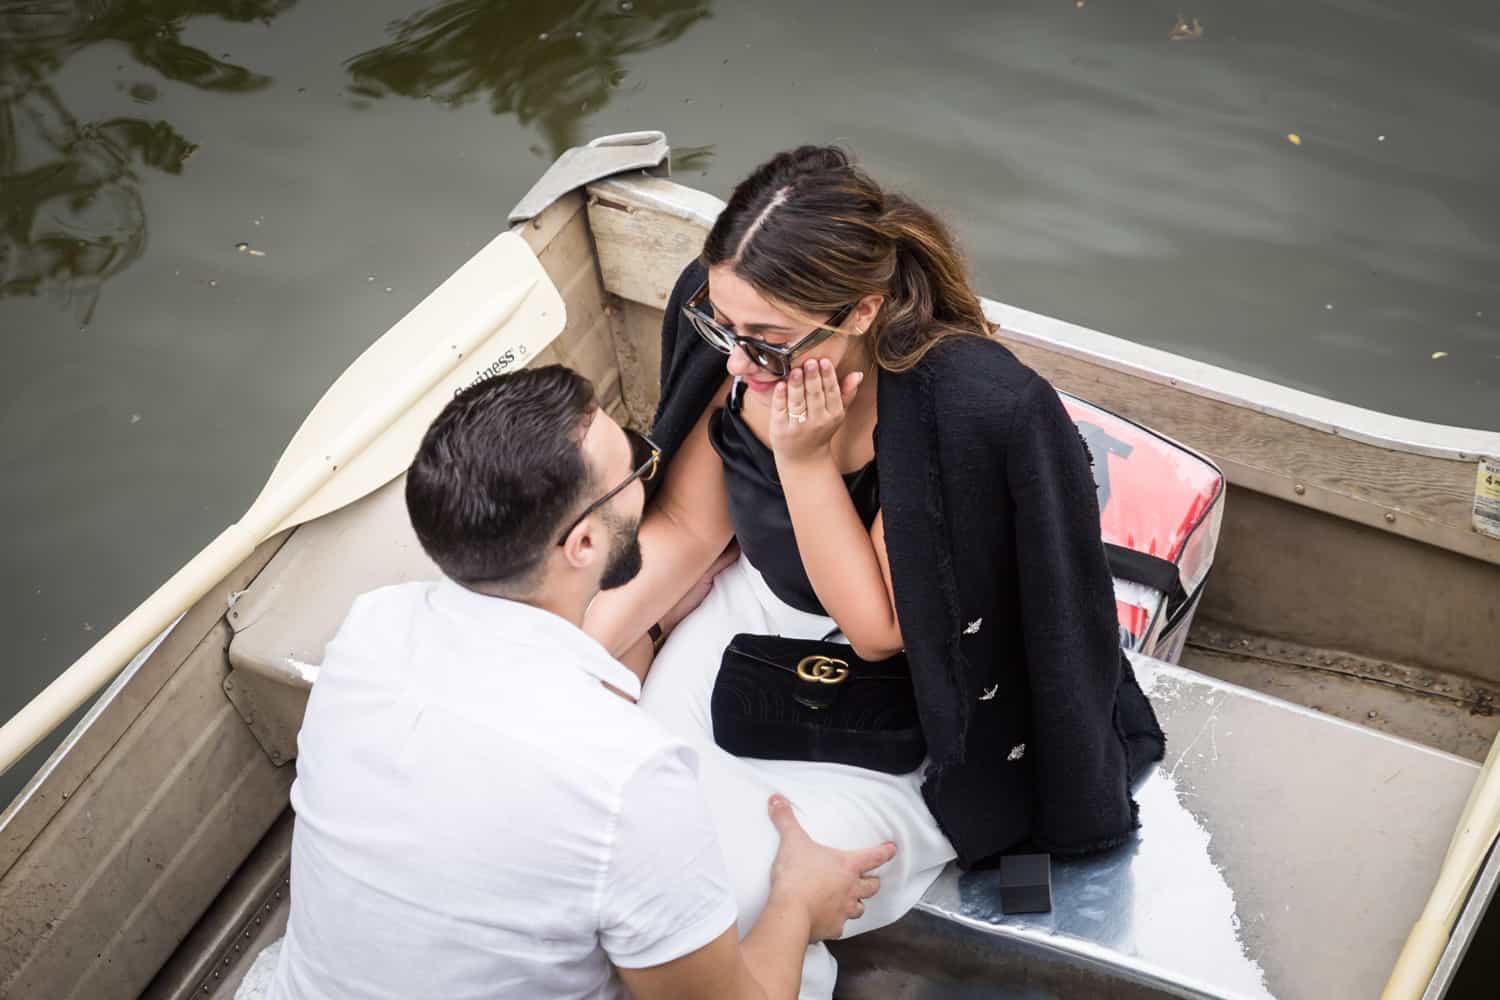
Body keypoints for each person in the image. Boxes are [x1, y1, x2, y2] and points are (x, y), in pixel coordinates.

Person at [583, 146, 1165, 993]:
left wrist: (807, 461)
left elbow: (882, 629)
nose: (739, 364)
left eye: (770, 344)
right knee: (630, 834)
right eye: (723, 328)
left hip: (910, 699)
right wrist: (569, 660)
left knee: (734, 890)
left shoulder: (951, 408)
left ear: (859, 312)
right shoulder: (739, 335)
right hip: (753, 624)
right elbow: (684, 528)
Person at [267, 365, 897, 1000]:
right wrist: (798, 901)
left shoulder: (370, 629)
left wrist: (650, 633)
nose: (646, 477)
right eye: (635, 471)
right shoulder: (632, 780)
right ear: (584, 543)